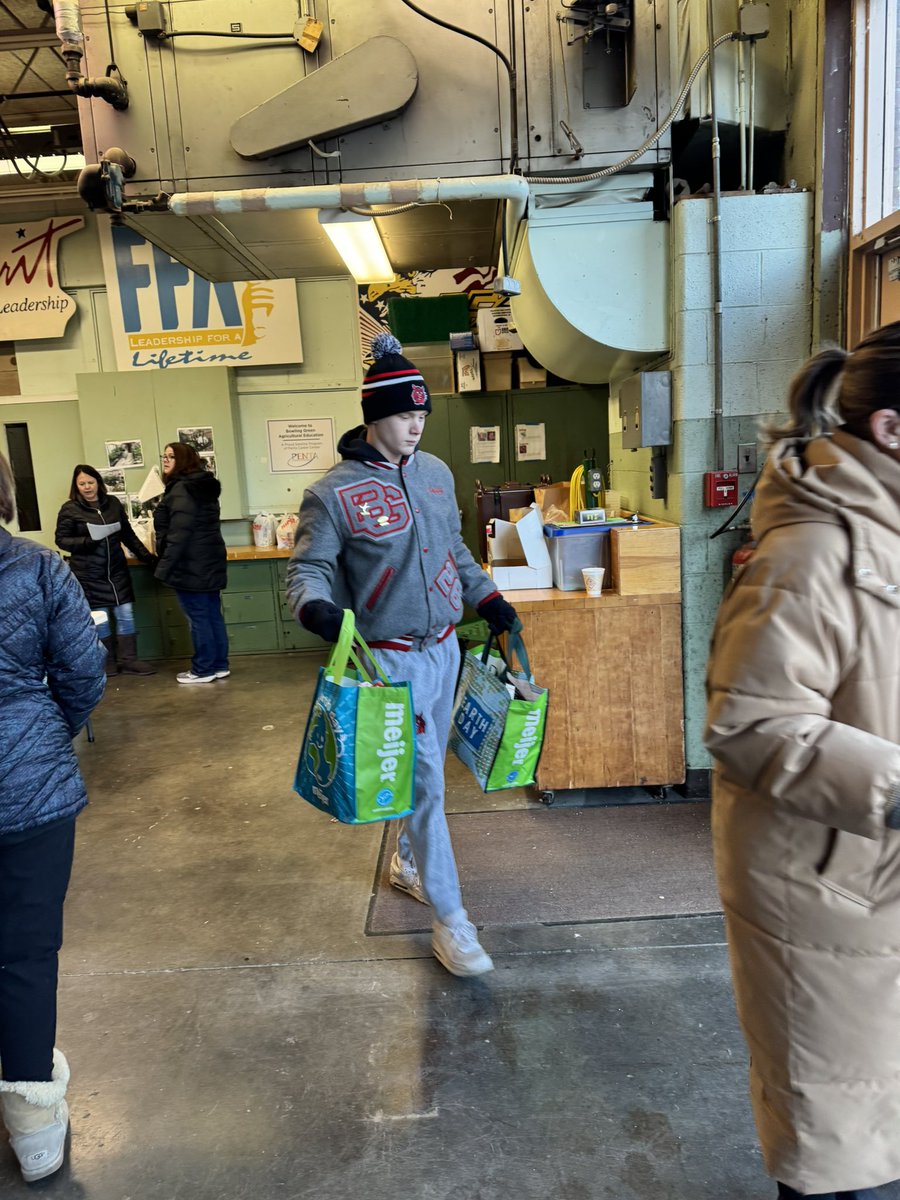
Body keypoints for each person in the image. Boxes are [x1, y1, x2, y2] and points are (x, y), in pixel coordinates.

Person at [704, 322, 900, 1199]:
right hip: (825, 888)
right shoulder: (811, 552)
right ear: (891, 431)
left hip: (875, 868)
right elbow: (751, 724)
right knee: (832, 1147)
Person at [286, 332, 520, 978]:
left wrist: (489, 600)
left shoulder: (438, 475)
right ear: (374, 415)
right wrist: (318, 610)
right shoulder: (332, 494)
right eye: (403, 414)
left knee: (434, 773)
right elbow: (305, 572)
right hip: (387, 663)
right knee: (423, 784)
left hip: (446, 651)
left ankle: (408, 861)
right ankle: (452, 921)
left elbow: (456, 555)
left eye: (421, 414)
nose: (415, 424)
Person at [0, 450, 106, 1181]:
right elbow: (82, 674)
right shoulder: (39, 570)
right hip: (32, 797)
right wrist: (36, 738)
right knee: (26, 956)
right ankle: (34, 1130)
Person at [54, 464, 157, 676]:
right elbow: (61, 540)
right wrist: (87, 541)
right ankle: (107, 662)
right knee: (101, 618)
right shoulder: (70, 509)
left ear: (98, 483)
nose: (87, 487)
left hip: (116, 571)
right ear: (76, 486)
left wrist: (148, 558)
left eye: (90, 482)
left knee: (125, 614)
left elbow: (128, 535)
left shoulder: (113, 504)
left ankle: (129, 660)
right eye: (82, 484)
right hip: (89, 574)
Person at [154, 442, 229, 684]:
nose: (166, 461)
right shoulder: (202, 486)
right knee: (211, 615)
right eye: (164, 456)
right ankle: (219, 665)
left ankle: (202, 669)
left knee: (199, 618)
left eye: (171, 457)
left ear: (183, 460)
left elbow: (179, 534)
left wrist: (163, 568)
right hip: (209, 560)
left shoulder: (182, 489)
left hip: (190, 565)